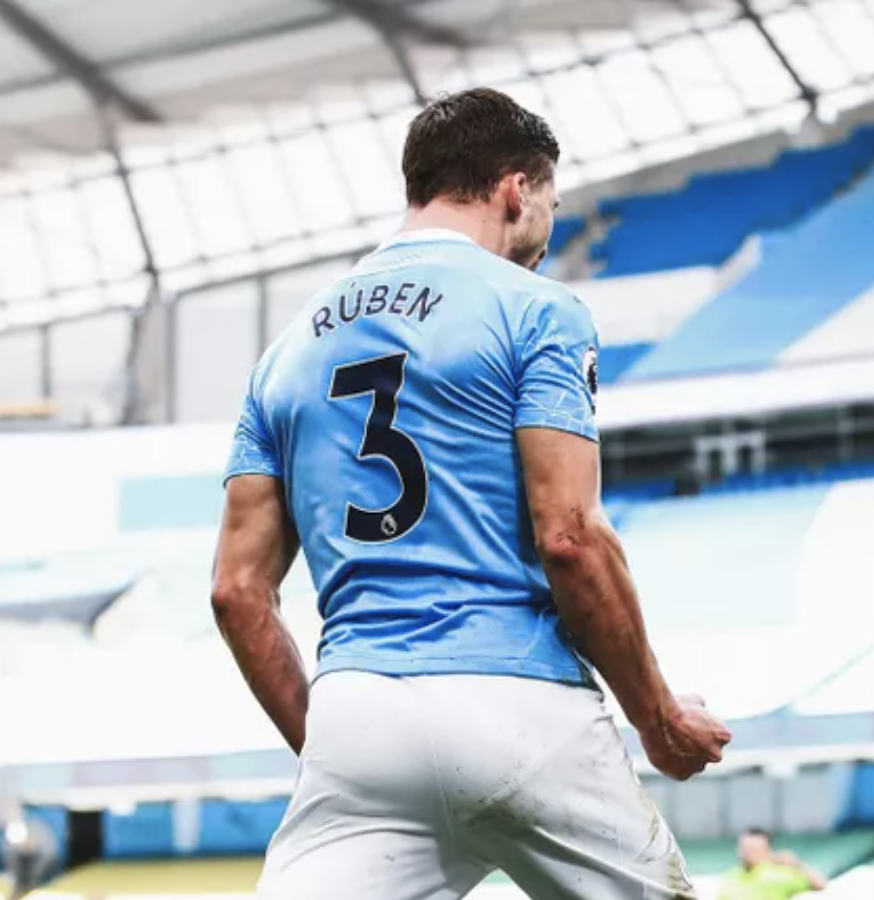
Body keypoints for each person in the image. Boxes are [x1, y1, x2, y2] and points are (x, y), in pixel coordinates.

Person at [213, 87, 732, 900]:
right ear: (516, 190)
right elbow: (571, 537)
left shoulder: (284, 353)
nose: (546, 236)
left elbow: (237, 592)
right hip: (521, 705)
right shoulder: (537, 310)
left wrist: (342, 749)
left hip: (356, 708)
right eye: (550, 206)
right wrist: (657, 718)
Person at [718, 828, 827, 900]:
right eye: (745, 848)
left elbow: (820, 884)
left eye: (754, 849)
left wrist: (798, 864)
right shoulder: (731, 875)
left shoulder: (778, 874)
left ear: (767, 851)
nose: (748, 853)